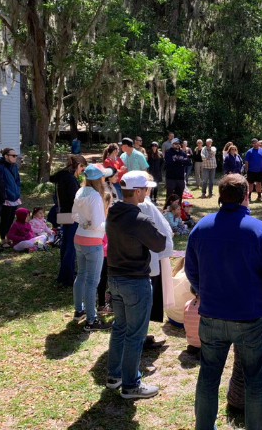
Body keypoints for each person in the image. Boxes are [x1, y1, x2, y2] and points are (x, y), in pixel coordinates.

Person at [185, 174, 262, 430]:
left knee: (208, 377)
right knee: (254, 380)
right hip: (250, 317)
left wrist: (203, 292)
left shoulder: (202, 227)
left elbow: (191, 270)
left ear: (220, 196)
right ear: (246, 195)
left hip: (212, 316)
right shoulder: (259, 229)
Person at [105, 171, 167, 399]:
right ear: (138, 191)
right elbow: (160, 244)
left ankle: (114, 376)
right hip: (135, 282)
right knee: (135, 335)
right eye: (147, 189)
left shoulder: (113, 212)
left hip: (115, 279)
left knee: (119, 328)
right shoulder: (140, 219)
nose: (149, 192)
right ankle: (131, 385)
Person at [72, 164, 113, 331]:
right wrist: (111, 225)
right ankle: (91, 320)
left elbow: (74, 215)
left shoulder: (80, 191)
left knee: (81, 276)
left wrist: (84, 223)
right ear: (99, 179)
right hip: (92, 242)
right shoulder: (95, 196)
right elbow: (98, 224)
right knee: (92, 282)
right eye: (103, 177)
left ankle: (79, 310)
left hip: (79, 238)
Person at [138, 174, 175, 349]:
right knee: (145, 301)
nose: (150, 189)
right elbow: (160, 231)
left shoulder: (135, 205)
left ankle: (140, 335)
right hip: (150, 258)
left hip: (145, 259)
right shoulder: (144, 205)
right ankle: (140, 338)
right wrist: (167, 247)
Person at [50, 154, 87, 285]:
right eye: (82, 168)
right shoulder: (70, 179)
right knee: (71, 245)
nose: (81, 172)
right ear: (78, 166)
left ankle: (66, 271)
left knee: (65, 243)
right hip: (72, 213)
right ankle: (66, 276)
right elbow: (74, 199)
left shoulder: (62, 177)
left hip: (64, 212)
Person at [0, 147, 22, 246]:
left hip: (15, 196)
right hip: (6, 198)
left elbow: (17, 180)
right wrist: (6, 192)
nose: (15, 157)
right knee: (5, 219)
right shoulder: (0, 166)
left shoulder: (14, 166)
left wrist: (17, 190)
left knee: (11, 218)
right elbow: (0, 182)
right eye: (13, 155)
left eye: (16, 155)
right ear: (6, 156)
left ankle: (8, 237)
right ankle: (3, 240)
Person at [164, 138, 188, 203]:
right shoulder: (168, 152)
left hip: (180, 177)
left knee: (179, 195)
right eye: (176, 143)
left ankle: (178, 210)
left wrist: (177, 160)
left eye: (179, 143)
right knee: (169, 195)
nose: (177, 145)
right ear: (172, 144)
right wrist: (182, 161)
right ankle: (167, 209)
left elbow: (188, 162)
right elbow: (170, 162)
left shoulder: (182, 152)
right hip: (171, 177)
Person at [183, 289, 201, 355]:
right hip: (205, 342)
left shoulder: (187, 303)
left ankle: (195, 348)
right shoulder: (208, 304)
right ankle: (203, 353)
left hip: (191, 341)